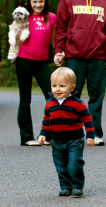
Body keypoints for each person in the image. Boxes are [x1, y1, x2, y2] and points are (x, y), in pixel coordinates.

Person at [54, 0, 106, 146]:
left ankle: (94, 134)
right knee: (70, 95)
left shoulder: (105, 0)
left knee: (96, 96)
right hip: (74, 56)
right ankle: (68, 132)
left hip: (98, 57)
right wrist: (58, 50)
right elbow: (61, 26)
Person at [38, 67, 95, 197]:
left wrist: (90, 136)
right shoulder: (49, 104)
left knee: (75, 164)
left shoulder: (78, 104)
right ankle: (65, 186)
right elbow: (46, 120)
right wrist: (42, 134)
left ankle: (77, 185)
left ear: (72, 87)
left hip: (74, 141)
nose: (57, 89)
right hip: (56, 142)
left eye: (62, 86)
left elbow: (87, 119)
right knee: (60, 166)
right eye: (54, 86)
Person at [15, 0, 57, 146]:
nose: (38, 4)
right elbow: (15, 40)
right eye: (35, 2)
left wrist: (58, 53)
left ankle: (48, 136)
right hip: (24, 60)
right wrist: (21, 26)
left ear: (45, 2)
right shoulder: (23, 17)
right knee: (25, 99)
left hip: (42, 62)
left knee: (52, 97)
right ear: (29, 3)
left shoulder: (51, 18)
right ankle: (26, 137)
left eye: (41, 1)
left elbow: (54, 41)